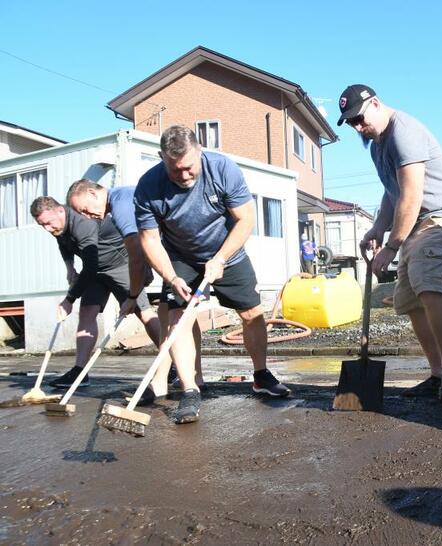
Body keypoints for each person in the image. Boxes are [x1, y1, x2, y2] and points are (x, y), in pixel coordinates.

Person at [134, 125, 290, 425]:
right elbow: (149, 239)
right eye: (174, 169)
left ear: (200, 152)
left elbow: (245, 219)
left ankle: (260, 374)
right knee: (179, 317)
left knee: (252, 313)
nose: (183, 175)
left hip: (227, 252)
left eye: (189, 167)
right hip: (181, 256)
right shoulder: (149, 186)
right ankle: (190, 389)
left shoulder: (222, 169)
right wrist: (171, 277)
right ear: (161, 158)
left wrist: (220, 258)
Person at [337, 84, 442, 401]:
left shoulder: (402, 132)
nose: (358, 126)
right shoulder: (377, 146)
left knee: (427, 281)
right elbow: (391, 193)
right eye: (351, 122)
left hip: (440, 218)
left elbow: (411, 195)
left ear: (376, 104)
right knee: (409, 301)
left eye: (360, 118)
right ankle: (438, 375)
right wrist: (377, 230)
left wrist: (391, 247)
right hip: (414, 227)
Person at [66, 179, 182, 404]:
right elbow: (144, 241)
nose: (87, 216)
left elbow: (136, 252)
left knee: (173, 316)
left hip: (179, 252)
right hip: (173, 253)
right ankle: (184, 379)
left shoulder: (120, 204)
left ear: (92, 193)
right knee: (170, 315)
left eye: (85, 209)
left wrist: (131, 296)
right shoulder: (121, 198)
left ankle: (181, 378)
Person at [30, 196, 162, 387]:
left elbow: (90, 267)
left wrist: (69, 299)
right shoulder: (58, 225)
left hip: (120, 265)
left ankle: (170, 363)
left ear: (60, 210)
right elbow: (63, 243)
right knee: (86, 313)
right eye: (43, 225)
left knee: (143, 312)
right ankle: (80, 372)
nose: (48, 229)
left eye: (48, 223)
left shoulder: (82, 223)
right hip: (94, 270)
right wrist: (69, 267)